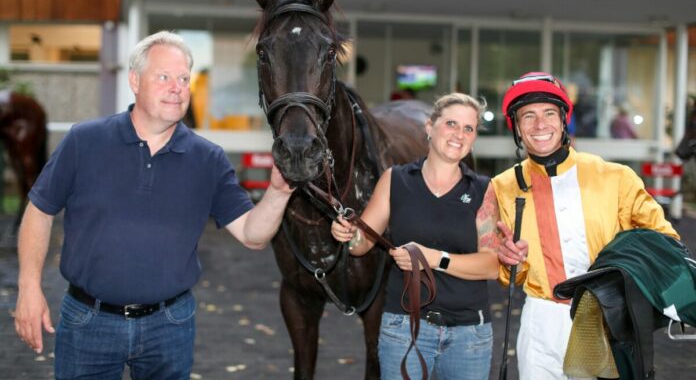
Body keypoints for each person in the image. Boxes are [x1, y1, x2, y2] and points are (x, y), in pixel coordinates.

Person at [14, 31, 294, 379]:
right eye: (164, 77)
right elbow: (40, 210)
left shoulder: (208, 159)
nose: (177, 88)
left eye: (183, 79)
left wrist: (278, 192)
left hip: (170, 325)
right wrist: (29, 287)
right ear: (134, 81)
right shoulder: (84, 141)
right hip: (88, 321)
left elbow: (253, 235)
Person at [493, 71, 679, 380]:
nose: (540, 125)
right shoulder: (502, 187)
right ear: (516, 128)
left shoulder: (616, 177)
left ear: (564, 119)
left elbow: (664, 243)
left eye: (549, 113)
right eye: (528, 116)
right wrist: (508, 260)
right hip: (540, 323)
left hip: (605, 317)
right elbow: (508, 275)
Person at [331, 93, 500, 380]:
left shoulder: (484, 189)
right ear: (429, 127)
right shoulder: (395, 180)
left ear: (473, 138)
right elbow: (363, 243)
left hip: (469, 334)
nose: (459, 134)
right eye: (451, 124)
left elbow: (493, 265)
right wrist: (348, 234)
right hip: (404, 329)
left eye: (468, 128)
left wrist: (435, 259)